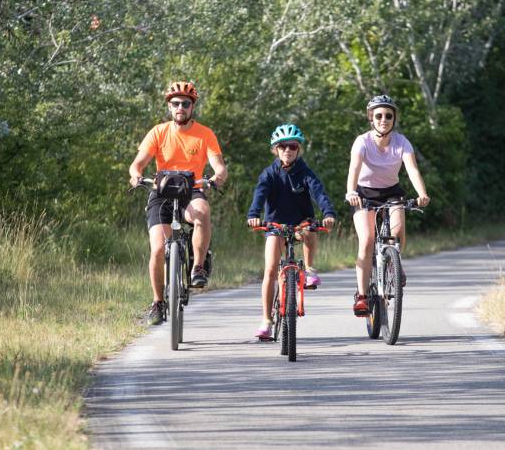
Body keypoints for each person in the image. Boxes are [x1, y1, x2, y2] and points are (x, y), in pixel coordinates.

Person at [129, 81, 228, 325]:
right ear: (169, 107)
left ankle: (198, 267)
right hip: (161, 193)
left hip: (191, 191)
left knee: (202, 211)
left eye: (185, 103)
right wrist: (136, 175)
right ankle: (158, 303)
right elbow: (138, 162)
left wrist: (216, 178)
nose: (180, 107)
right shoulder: (158, 132)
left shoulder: (205, 134)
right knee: (158, 249)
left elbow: (219, 166)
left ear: (192, 106)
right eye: (175, 103)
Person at [247, 124, 336, 339]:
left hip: (299, 224)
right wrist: (253, 214)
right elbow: (259, 195)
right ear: (275, 150)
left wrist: (328, 212)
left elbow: (319, 193)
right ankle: (267, 320)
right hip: (275, 225)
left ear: (299, 149)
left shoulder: (305, 172)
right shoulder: (269, 174)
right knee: (269, 270)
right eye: (283, 146)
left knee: (310, 229)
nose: (288, 150)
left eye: (293, 146)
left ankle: (310, 270)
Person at [345, 95, 429, 316]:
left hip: (392, 193)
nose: (384, 119)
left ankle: (395, 263)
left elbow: (412, 170)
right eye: (379, 115)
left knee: (398, 230)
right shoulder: (362, 141)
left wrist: (422, 194)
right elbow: (354, 168)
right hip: (364, 194)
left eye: (388, 116)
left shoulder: (402, 142)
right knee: (367, 240)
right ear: (371, 118)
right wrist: (351, 192)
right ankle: (362, 296)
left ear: (394, 119)